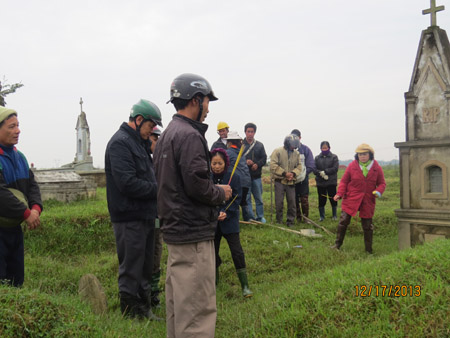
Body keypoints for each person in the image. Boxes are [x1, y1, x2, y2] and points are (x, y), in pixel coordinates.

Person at [153, 73, 232, 338]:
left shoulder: (166, 135)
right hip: (193, 235)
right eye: (207, 101)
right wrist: (220, 192)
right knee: (197, 312)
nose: (209, 108)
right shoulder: (189, 135)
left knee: (179, 309)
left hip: (175, 233)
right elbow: (197, 185)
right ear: (196, 100)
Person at [105, 99, 163, 320]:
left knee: (146, 265)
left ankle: (144, 308)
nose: (151, 132)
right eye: (150, 126)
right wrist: (159, 190)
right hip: (129, 217)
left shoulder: (138, 142)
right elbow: (127, 183)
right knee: (131, 266)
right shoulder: (120, 143)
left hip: (145, 215)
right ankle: (130, 312)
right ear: (139, 120)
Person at [0, 106, 42, 287]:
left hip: (14, 229)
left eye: (17, 125)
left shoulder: (20, 157)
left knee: (16, 279)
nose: (17, 131)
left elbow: (32, 186)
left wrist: (35, 208)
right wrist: (26, 214)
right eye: (11, 126)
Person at [210, 148, 253, 298]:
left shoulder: (234, 177)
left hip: (230, 221)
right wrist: (215, 213)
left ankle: (245, 286)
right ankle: (214, 281)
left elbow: (237, 197)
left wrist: (225, 212)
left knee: (237, 252)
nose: (216, 166)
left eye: (219, 163)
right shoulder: (206, 178)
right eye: (213, 163)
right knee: (211, 253)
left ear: (225, 163)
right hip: (212, 222)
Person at [331, 144, 386, 254]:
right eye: (360, 154)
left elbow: (382, 183)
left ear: (370, 155)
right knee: (343, 221)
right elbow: (344, 182)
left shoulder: (376, 168)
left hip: (368, 199)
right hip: (351, 197)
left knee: (367, 225)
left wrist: (378, 192)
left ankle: (368, 250)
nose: (362, 157)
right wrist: (340, 193)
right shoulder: (352, 166)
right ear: (357, 155)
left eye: (365, 154)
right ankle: (337, 245)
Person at [270, 134, 302, 226]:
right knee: (279, 202)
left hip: (291, 181)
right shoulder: (278, 151)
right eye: (292, 145)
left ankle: (290, 221)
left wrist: (293, 173)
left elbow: (299, 166)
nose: (294, 147)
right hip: (279, 180)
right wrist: (284, 173)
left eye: (295, 145)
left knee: (292, 202)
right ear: (287, 143)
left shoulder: (296, 154)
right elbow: (273, 165)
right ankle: (279, 220)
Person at [149, 126, 163, 308]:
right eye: (155, 139)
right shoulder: (144, 161)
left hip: (158, 216)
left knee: (157, 252)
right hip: (145, 215)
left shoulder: (159, 160)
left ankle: (154, 293)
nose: (157, 143)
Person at [243, 122, 267, 223]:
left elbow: (264, 158)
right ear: (245, 132)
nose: (250, 134)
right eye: (248, 131)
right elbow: (237, 159)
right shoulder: (241, 145)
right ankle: (250, 217)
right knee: (247, 199)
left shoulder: (259, 145)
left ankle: (260, 217)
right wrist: (245, 161)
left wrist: (257, 164)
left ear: (254, 133)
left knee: (259, 199)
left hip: (256, 176)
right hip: (245, 177)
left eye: (252, 132)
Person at [225, 131, 252, 219]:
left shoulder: (228, 153)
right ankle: (247, 219)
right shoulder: (241, 153)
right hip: (246, 181)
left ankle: (233, 218)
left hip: (236, 181)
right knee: (243, 201)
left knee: (234, 201)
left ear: (229, 142)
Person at [291, 129, 315, 224]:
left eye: (296, 137)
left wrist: (304, 174)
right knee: (294, 199)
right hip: (292, 179)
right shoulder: (289, 149)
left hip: (303, 179)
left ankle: (306, 218)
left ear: (300, 138)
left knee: (304, 199)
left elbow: (311, 164)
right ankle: (298, 217)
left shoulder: (305, 149)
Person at [314, 141, 339, 221]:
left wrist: (326, 171)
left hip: (331, 181)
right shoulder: (317, 158)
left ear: (329, 148)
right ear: (320, 148)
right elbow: (314, 169)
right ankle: (322, 216)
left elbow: (335, 168)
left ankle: (334, 215)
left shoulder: (334, 157)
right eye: (323, 148)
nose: (324, 149)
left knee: (333, 198)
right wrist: (320, 173)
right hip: (320, 182)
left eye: (326, 147)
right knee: (321, 199)